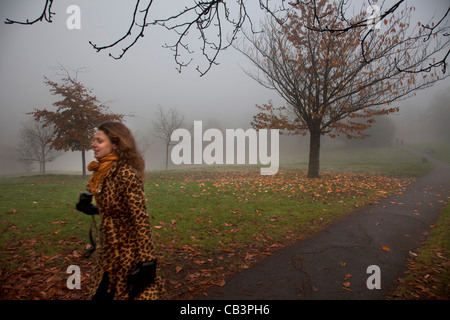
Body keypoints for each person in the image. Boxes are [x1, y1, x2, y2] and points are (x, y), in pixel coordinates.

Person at [77, 121, 163, 300]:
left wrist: (148, 260)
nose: (93, 144)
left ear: (115, 143)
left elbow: (140, 218)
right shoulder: (102, 172)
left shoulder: (126, 174)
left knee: (128, 293)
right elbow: (113, 208)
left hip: (128, 251)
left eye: (99, 141)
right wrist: (90, 208)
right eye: (94, 140)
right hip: (109, 250)